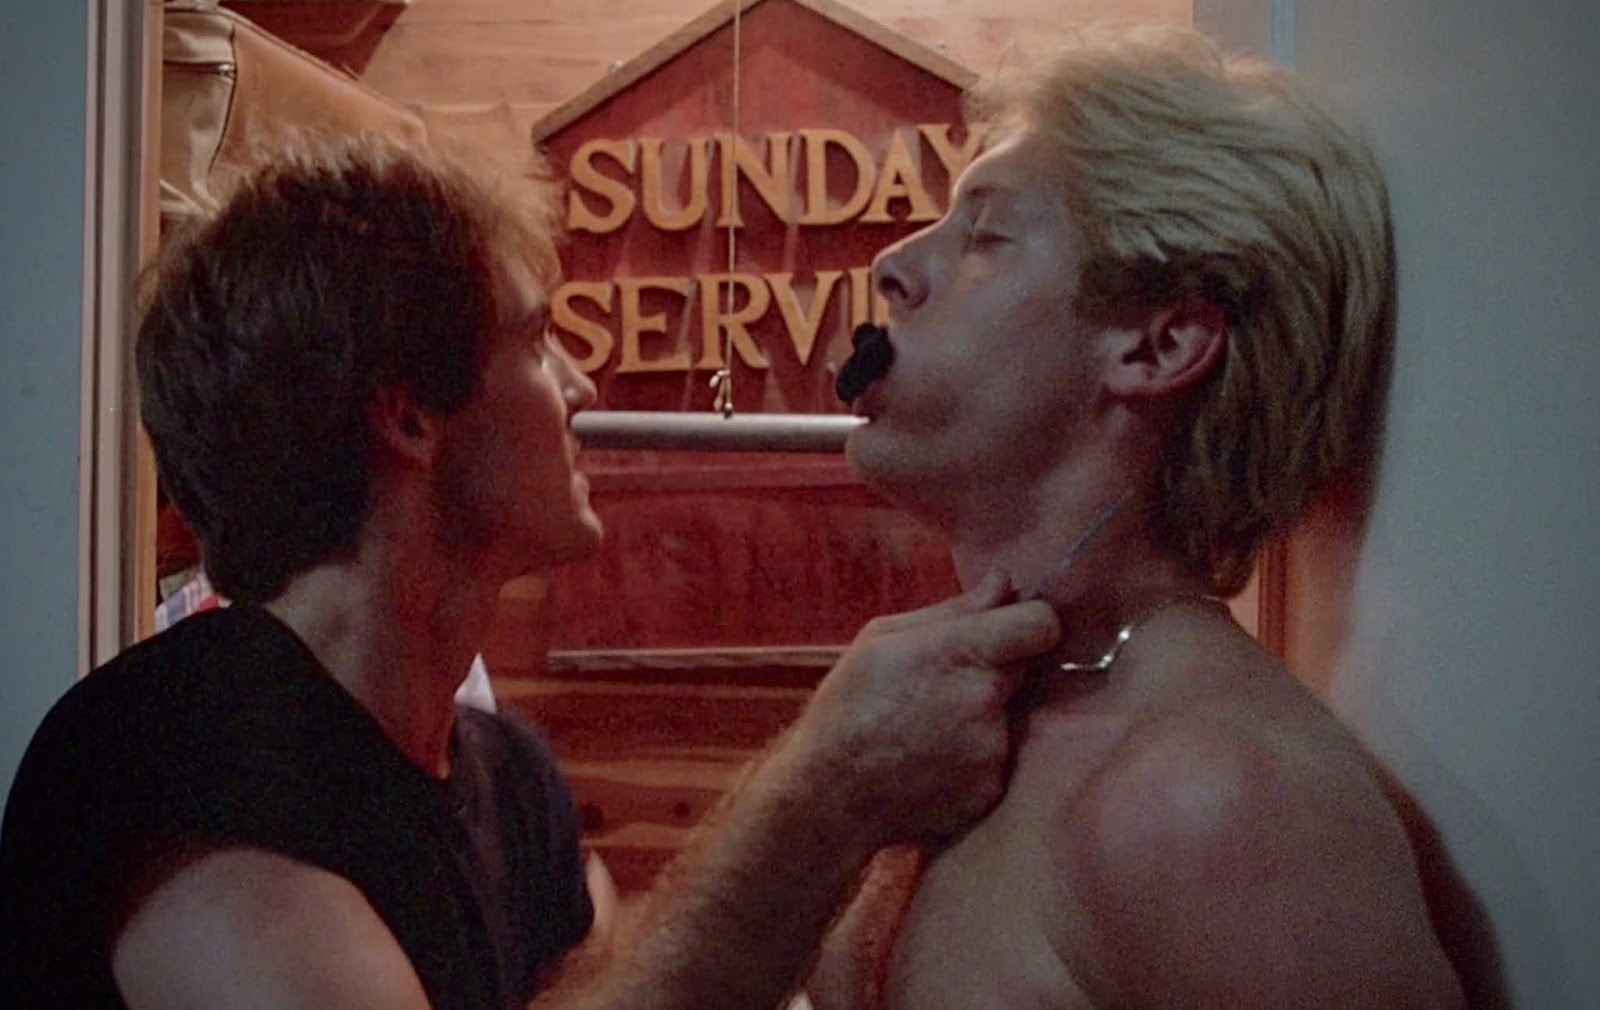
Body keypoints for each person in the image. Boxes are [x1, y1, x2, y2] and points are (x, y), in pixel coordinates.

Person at [0, 133, 1061, 1010]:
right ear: (409, 415)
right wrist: (825, 792)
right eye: (537, 336)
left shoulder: (506, 781)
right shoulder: (180, 758)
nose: (580, 382)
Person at [807, 24, 1466, 1010]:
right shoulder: (966, 718)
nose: (894, 266)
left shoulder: (1221, 803)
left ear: (1159, 346)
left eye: (986, 235)